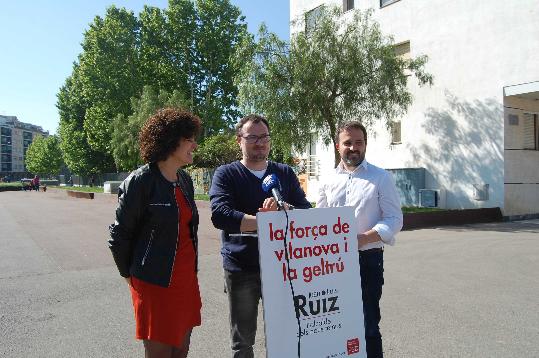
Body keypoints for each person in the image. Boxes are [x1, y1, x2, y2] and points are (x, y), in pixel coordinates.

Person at [209, 114, 312, 358]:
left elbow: (306, 212)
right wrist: (266, 222)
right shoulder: (226, 174)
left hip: (283, 267)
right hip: (242, 268)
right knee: (243, 341)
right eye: (252, 137)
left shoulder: (284, 173)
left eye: (264, 136)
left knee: (286, 333)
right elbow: (221, 215)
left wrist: (288, 210)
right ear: (239, 141)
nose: (260, 142)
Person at [108, 108, 202, 358]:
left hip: (185, 280)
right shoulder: (141, 181)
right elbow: (119, 235)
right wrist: (129, 275)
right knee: (160, 352)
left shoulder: (185, 180)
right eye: (190, 138)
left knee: (181, 349)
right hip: (154, 283)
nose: (195, 144)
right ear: (171, 140)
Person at [316, 121, 403, 358]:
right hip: (332, 264)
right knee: (335, 324)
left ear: (365, 145)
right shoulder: (327, 180)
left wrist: (364, 238)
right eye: (348, 143)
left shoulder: (380, 177)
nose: (353, 147)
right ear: (337, 146)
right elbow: (319, 222)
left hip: (368, 260)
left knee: (369, 325)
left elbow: (395, 219)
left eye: (358, 142)